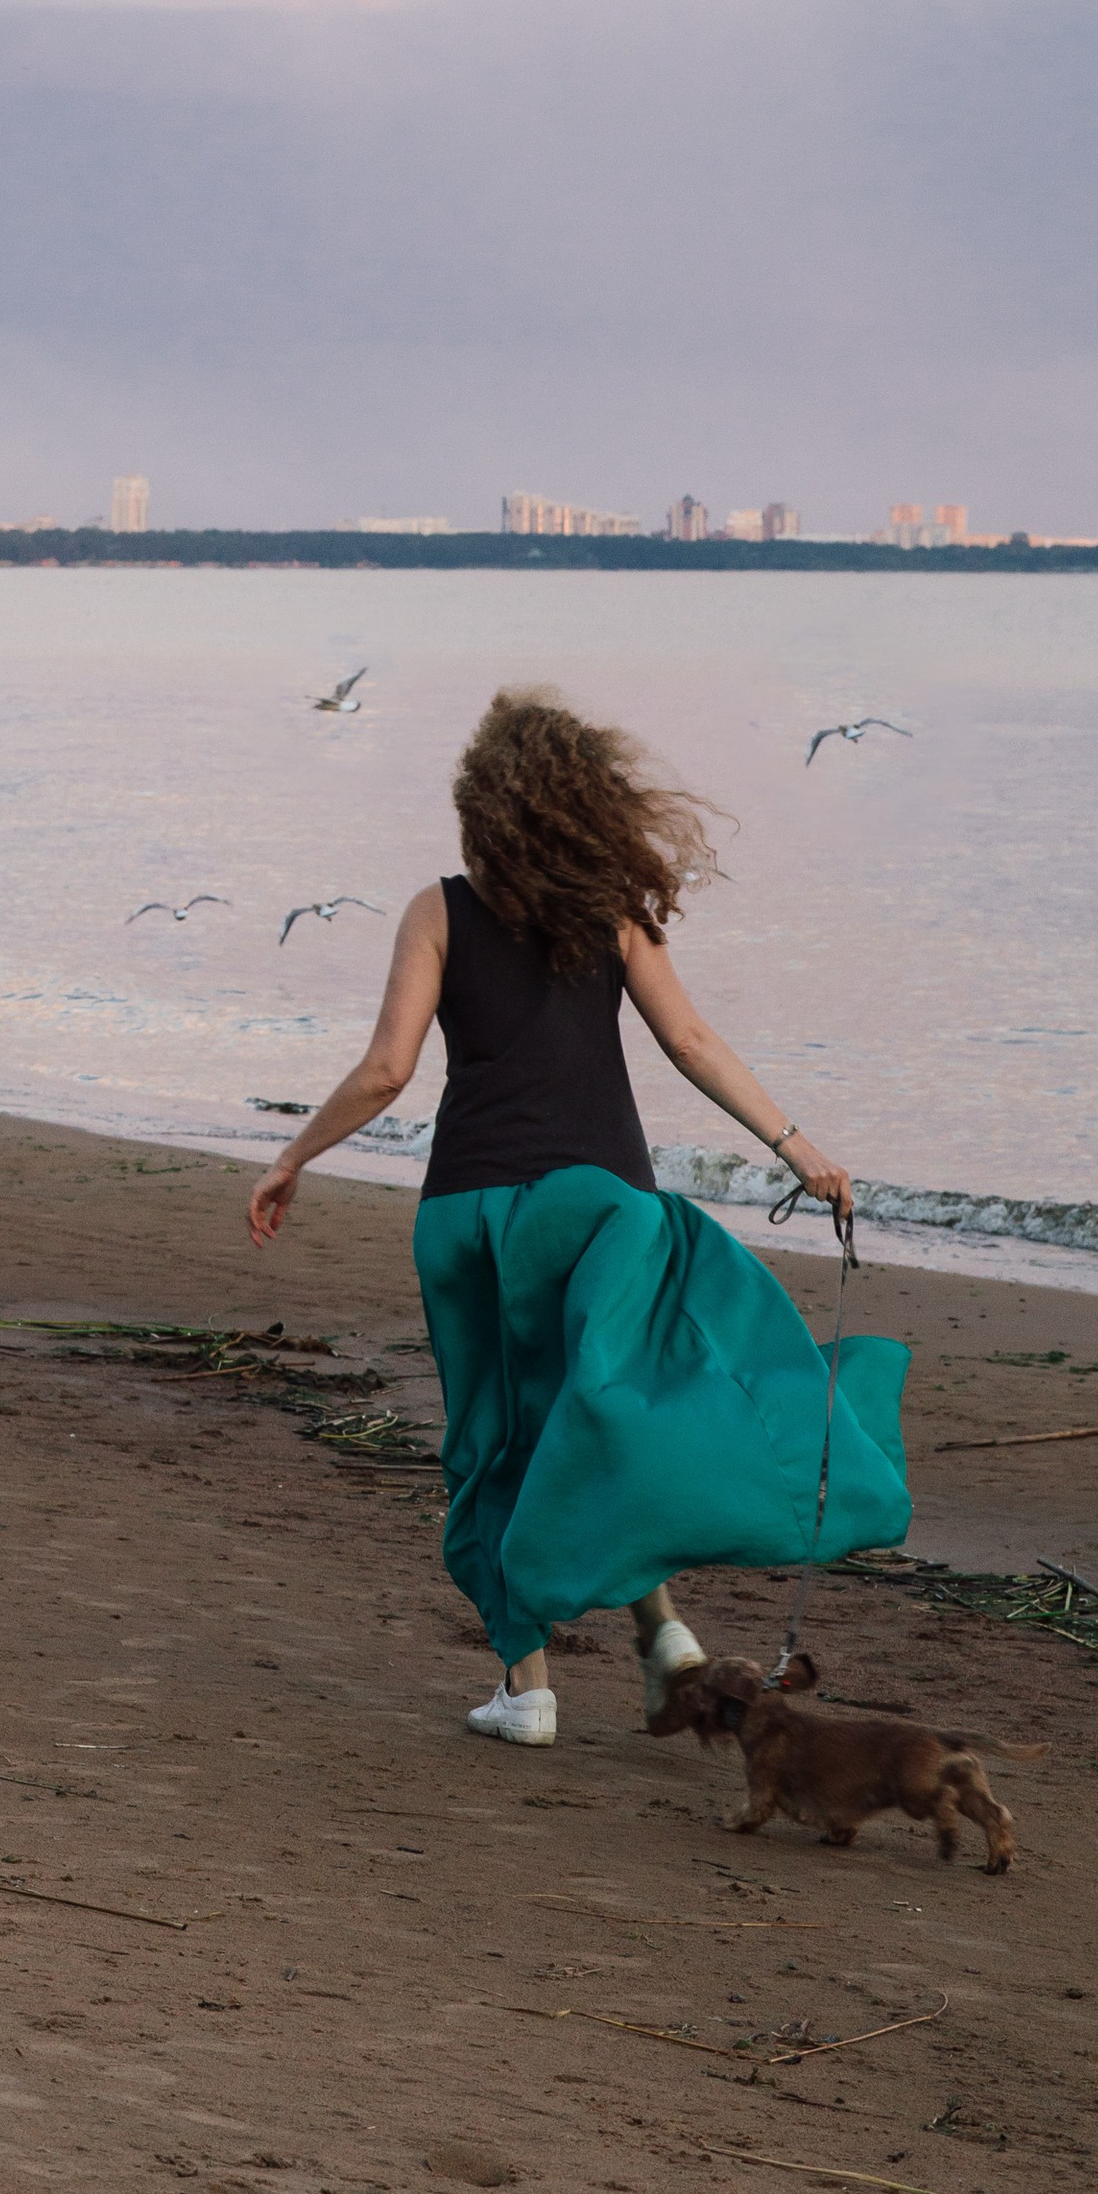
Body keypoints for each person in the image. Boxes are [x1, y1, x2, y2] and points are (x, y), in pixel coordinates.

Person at [246, 685, 910, 1747]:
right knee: (594, 1416)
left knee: (496, 1440)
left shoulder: (443, 909)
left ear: (483, 808)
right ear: (584, 803)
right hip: (607, 1210)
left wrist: (291, 1155)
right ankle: (663, 1636)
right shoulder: (613, 911)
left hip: (476, 1213)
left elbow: (386, 1070)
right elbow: (689, 1042)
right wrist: (801, 1149)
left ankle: (527, 1689)